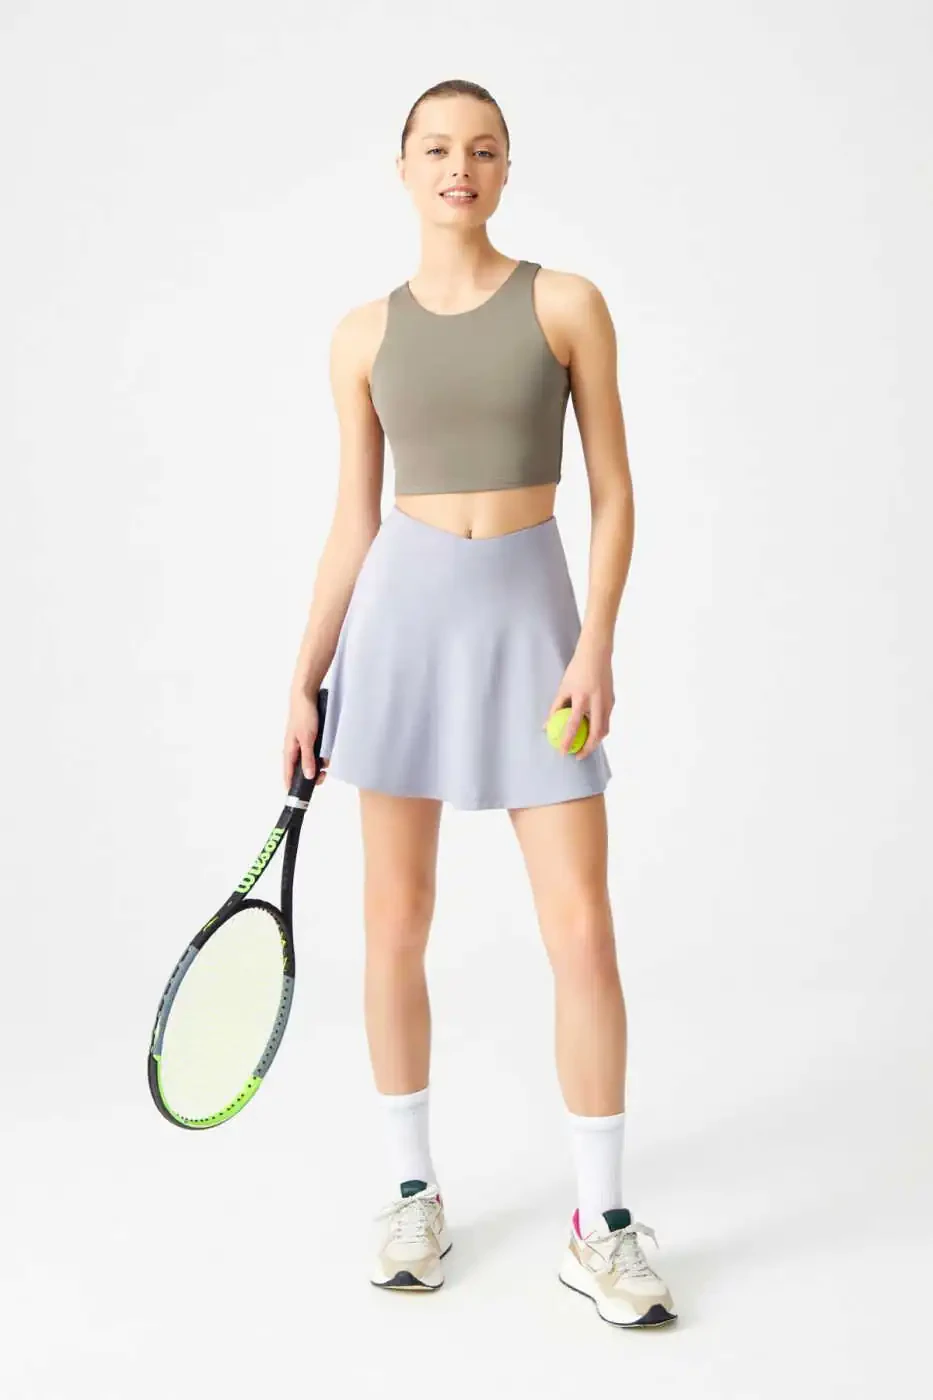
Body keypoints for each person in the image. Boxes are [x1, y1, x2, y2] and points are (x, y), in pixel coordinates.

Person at [283, 78, 677, 1329]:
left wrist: (596, 641)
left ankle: (600, 1222)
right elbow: (352, 520)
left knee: (583, 929)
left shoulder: (566, 304)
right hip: (399, 630)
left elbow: (615, 491)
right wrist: (303, 675)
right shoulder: (361, 334)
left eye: (485, 149)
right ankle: (413, 1193)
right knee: (393, 921)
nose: (461, 166)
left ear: (507, 169)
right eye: (439, 148)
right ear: (403, 166)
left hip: (533, 627)